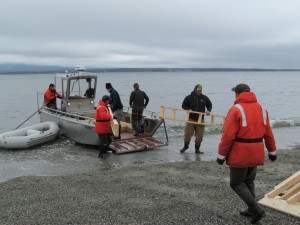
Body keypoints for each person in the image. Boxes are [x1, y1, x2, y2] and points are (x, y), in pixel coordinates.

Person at [217, 83, 277, 224]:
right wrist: (272, 152)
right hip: (256, 150)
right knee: (249, 180)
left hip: (241, 152)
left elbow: (228, 136)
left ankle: (256, 209)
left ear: (237, 94)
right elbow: (268, 133)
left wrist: (221, 156)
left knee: (236, 183)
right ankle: (251, 209)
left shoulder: (235, 109)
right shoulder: (262, 109)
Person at [180, 84, 212, 154]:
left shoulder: (204, 98)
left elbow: (209, 105)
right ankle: (186, 146)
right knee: (187, 134)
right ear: (195, 90)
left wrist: (208, 110)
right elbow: (183, 105)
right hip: (191, 118)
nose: (199, 91)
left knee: (200, 136)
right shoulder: (189, 97)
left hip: (201, 119)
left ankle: (197, 150)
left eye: (200, 90)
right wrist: (188, 109)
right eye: (198, 90)